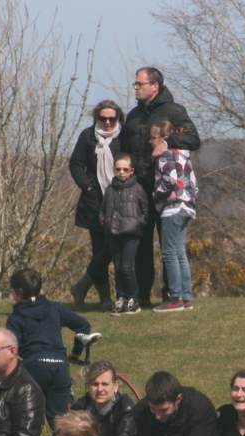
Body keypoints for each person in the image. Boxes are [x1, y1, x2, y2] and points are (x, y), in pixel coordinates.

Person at [124, 66, 201, 308]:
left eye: (140, 84)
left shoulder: (174, 111)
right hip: (139, 190)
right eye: (135, 84)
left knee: (171, 248)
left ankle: (172, 295)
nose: (135, 88)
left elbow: (193, 139)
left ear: (155, 86)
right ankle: (142, 296)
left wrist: (167, 142)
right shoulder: (133, 116)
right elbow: (125, 149)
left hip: (166, 193)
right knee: (141, 244)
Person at [6, 268, 99, 428]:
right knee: (60, 423)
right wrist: (76, 352)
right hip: (59, 366)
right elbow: (83, 325)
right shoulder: (56, 308)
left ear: (19, 292)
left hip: (33, 367)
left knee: (29, 420)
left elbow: (12, 348)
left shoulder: (15, 318)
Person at [68, 99, 125, 311]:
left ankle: (82, 286)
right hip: (95, 202)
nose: (108, 122)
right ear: (97, 118)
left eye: (112, 118)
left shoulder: (124, 136)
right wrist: (89, 186)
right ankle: (105, 298)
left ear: (118, 118)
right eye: (103, 118)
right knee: (99, 250)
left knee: (113, 249)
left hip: (120, 200)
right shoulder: (87, 136)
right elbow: (76, 164)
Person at [149, 121, 199, 313]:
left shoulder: (166, 155)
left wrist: (155, 196)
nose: (150, 141)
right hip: (187, 206)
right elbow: (194, 186)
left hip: (173, 207)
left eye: (153, 138)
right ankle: (186, 297)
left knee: (169, 253)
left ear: (164, 139)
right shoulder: (184, 156)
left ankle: (175, 297)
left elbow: (168, 181)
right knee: (180, 253)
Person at [101, 153, 149, 316]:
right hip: (114, 234)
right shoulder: (110, 189)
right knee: (118, 267)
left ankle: (133, 299)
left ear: (131, 170)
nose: (121, 172)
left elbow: (146, 210)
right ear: (114, 170)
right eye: (118, 169)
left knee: (127, 267)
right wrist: (105, 222)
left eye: (125, 169)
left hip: (131, 234)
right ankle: (121, 298)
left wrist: (139, 224)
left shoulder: (137, 189)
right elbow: (102, 209)